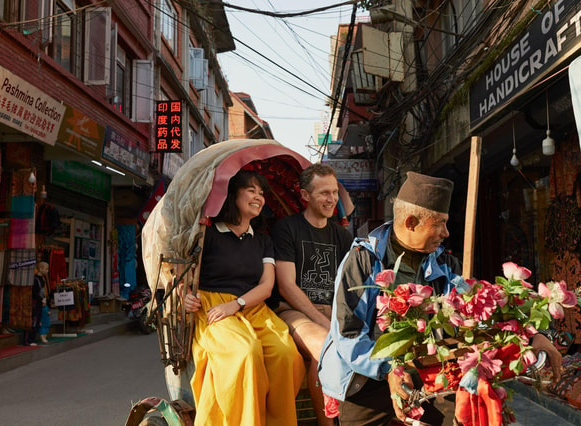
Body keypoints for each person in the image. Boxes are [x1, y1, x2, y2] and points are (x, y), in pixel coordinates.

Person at [318, 171, 564, 425]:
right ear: (411, 222)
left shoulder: (446, 265)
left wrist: (534, 334)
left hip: (431, 374)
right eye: (440, 223)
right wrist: (390, 369)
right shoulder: (362, 261)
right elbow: (349, 334)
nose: (446, 233)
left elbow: (479, 314)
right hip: (367, 379)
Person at [184, 169, 305, 425]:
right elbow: (183, 275)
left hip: (251, 306)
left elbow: (266, 284)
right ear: (232, 194)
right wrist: (185, 297)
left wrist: (236, 304)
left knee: (287, 355)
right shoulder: (208, 233)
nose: (258, 197)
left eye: (261, 193)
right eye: (251, 190)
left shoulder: (262, 241)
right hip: (213, 306)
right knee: (245, 353)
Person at [271, 163, 353, 426]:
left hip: (333, 311)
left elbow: (348, 285)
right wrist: (323, 322)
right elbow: (287, 286)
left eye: (334, 192)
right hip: (294, 311)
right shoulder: (287, 229)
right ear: (305, 195)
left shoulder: (341, 235)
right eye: (323, 193)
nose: (331, 199)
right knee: (325, 347)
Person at [32, 261, 50, 345]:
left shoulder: (42, 279)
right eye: (46, 269)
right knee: (35, 320)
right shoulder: (35, 279)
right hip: (36, 303)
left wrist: (45, 299)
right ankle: (30, 339)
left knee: (41, 320)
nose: (47, 271)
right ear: (40, 269)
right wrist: (41, 299)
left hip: (41, 303)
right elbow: (34, 292)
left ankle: (36, 337)